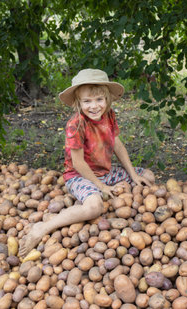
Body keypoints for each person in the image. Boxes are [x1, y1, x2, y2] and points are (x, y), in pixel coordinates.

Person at [19, 69, 155, 257]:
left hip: (105, 172)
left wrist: (133, 174)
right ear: (78, 102)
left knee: (147, 176)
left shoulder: (109, 115)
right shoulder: (76, 124)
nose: (94, 106)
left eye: (99, 100)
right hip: (78, 175)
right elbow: (78, 163)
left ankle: (113, 193)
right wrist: (99, 186)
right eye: (87, 101)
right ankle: (44, 227)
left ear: (107, 99)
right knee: (94, 207)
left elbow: (117, 143)